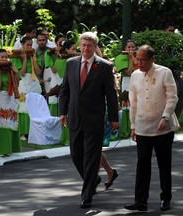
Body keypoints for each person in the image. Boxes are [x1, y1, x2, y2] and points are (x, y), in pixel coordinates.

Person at [59, 32, 119, 209]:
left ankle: (87, 195)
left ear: (95, 47)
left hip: (94, 118)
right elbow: (65, 90)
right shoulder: (71, 64)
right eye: (83, 45)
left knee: (91, 158)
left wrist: (114, 118)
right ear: (79, 46)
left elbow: (111, 95)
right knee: (76, 154)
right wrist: (62, 112)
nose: (86, 49)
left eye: (89, 46)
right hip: (75, 117)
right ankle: (93, 178)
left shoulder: (104, 66)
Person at [124, 45, 179, 212]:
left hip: (163, 127)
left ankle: (166, 198)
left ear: (152, 59)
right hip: (142, 127)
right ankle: (140, 201)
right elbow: (133, 103)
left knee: (164, 164)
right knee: (142, 165)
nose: (139, 63)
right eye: (137, 59)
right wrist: (133, 126)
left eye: (143, 59)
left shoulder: (164, 72)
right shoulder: (134, 75)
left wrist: (166, 116)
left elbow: (172, 97)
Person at [10, 36, 41, 141]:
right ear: (22, 45)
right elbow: (21, 73)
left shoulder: (33, 55)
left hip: (33, 83)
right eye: (27, 45)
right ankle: (23, 132)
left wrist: (33, 60)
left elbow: (38, 72)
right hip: (23, 83)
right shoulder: (16, 56)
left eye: (31, 45)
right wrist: (24, 60)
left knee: (33, 107)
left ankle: (34, 131)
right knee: (24, 108)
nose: (29, 47)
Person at [114, 40, 138, 139]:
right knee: (126, 107)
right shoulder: (121, 58)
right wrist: (130, 58)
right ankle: (125, 131)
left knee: (135, 107)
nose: (131, 49)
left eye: (133, 47)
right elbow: (128, 72)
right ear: (125, 49)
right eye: (129, 47)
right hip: (126, 84)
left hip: (136, 83)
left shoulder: (138, 58)